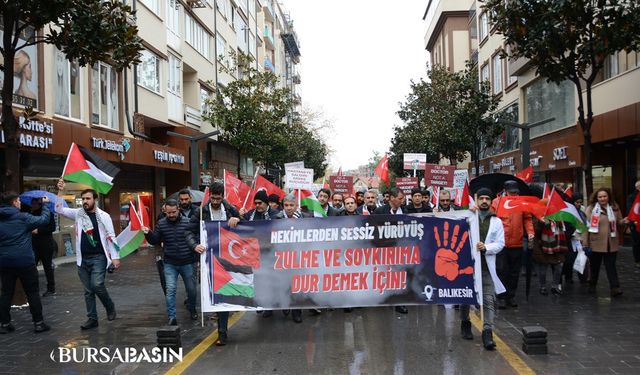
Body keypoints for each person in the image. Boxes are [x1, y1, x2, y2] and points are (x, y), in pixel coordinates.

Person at [56, 179, 120, 330]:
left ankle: (110, 307)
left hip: (99, 257)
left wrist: (115, 257)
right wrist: (61, 192)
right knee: (88, 291)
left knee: (97, 285)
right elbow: (59, 209)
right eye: (83, 199)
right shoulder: (78, 214)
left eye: (88, 199)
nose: (85, 201)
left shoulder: (103, 216)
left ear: (95, 200)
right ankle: (92, 318)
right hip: (82, 259)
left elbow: (111, 236)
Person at [188, 182, 241, 345]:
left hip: (228, 258)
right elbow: (189, 231)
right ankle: (221, 330)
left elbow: (246, 226)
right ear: (209, 196)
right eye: (213, 198)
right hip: (208, 258)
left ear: (223, 196)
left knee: (223, 294)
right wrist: (194, 245)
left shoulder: (231, 209)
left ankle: (222, 332)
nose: (216, 201)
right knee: (215, 294)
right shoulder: (201, 212)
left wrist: (237, 218)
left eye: (218, 198)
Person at [0, 192, 51, 334]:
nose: (20, 203)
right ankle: (39, 323)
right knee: (32, 292)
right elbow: (44, 220)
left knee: (6, 293)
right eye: (19, 201)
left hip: (5, 262)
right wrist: (45, 205)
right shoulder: (23, 217)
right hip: (25, 262)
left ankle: (4, 324)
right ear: (14, 202)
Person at [460, 187, 504, 350]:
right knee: (466, 297)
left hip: (486, 267)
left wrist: (486, 247)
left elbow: (500, 244)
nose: (484, 201)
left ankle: (487, 332)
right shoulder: (468, 217)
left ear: (491, 202)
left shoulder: (496, 221)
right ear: (477, 200)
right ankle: (465, 322)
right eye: (482, 198)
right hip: (467, 266)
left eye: (487, 199)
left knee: (488, 300)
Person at [143, 199, 200, 326]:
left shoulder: (188, 222)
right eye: (168, 213)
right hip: (170, 263)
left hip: (188, 261)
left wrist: (197, 259)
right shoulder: (161, 224)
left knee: (191, 290)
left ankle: (192, 309)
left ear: (178, 209)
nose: (171, 215)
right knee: (170, 290)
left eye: (173, 212)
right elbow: (155, 240)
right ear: (165, 211)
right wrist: (148, 233)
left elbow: (195, 240)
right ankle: (172, 316)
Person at [491, 180, 534, 309]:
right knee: (501, 271)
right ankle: (501, 297)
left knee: (514, 272)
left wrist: (530, 232)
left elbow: (527, 218)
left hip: (517, 243)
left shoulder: (521, 202)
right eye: (511, 193)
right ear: (505, 191)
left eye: (515, 193)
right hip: (501, 244)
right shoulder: (496, 203)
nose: (513, 195)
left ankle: (511, 296)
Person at [584, 188, 627, 297]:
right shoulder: (591, 209)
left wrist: (624, 221)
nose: (602, 198)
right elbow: (585, 227)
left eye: (604, 196)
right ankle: (592, 285)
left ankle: (615, 287)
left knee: (611, 266)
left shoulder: (615, 207)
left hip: (611, 242)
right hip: (595, 243)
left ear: (608, 197)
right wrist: (585, 243)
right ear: (596, 198)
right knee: (595, 267)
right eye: (600, 197)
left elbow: (619, 222)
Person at [373, 188, 409, 314]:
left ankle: (399, 302)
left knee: (399, 275)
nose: (402, 200)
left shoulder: (406, 210)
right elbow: (373, 230)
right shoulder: (379, 211)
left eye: (403, 198)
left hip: (401, 249)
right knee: (385, 274)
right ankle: (384, 298)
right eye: (400, 198)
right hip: (384, 248)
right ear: (392, 198)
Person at [533, 218, 568, 295]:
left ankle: (555, 286)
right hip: (544, 245)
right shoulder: (540, 217)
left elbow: (564, 230)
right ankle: (542, 287)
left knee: (559, 267)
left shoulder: (560, 217)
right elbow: (536, 231)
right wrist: (541, 223)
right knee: (543, 268)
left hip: (558, 245)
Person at [30, 198, 57, 297]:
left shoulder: (48, 213)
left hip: (46, 244)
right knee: (32, 267)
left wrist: (39, 231)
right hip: (34, 244)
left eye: (34, 203)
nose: (32, 205)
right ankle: (34, 288)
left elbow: (52, 228)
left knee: (47, 267)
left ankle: (51, 288)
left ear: (39, 204)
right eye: (32, 203)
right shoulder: (31, 214)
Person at [626, 180, 640, 268]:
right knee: (637, 242)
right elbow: (630, 210)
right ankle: (638, 260)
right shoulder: (632, 197)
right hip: (635, 224)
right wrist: (633, 221)